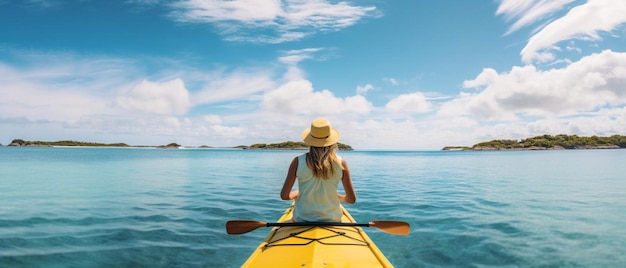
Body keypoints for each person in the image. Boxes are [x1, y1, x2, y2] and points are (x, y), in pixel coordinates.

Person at [280, 118, 356, 222]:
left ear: (310, 140)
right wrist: (338, 196)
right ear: (332, 141)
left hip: (302, 219)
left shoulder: (297, 161)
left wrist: (297, 193)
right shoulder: (341, 162)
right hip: (332, 219)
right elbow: (351, 200)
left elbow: (284, 196)